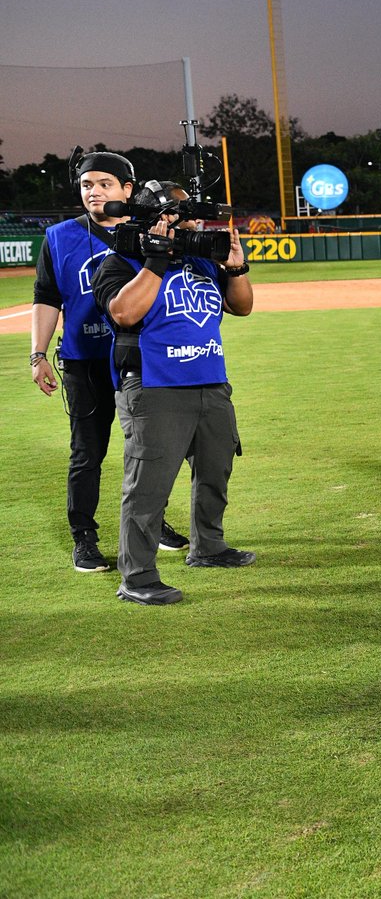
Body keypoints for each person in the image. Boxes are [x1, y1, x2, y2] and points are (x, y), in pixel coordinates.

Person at [92, 182, 257, 605]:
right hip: (155, 388)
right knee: (148, 486)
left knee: (215, 471)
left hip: (211, 381)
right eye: (183, 218)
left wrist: (235, 268)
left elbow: (241, 306)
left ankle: (209, 547)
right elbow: (124, 312)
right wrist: (156, 259)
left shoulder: (202, 261)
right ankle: (138, 575)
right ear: (156, 219)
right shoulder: (121, 262)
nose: (194, 226)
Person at [31, 152, 190, 574]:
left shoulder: (149, 233)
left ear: (127, 190)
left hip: (143, 358)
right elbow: (47, 297)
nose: (94, 191)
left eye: (105, 183)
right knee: (88, 452)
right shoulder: (60, 236)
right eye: (87, 185)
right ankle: (84, 538)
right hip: (85, 360)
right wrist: (38, 354)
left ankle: (150, 523)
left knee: (150, 449)